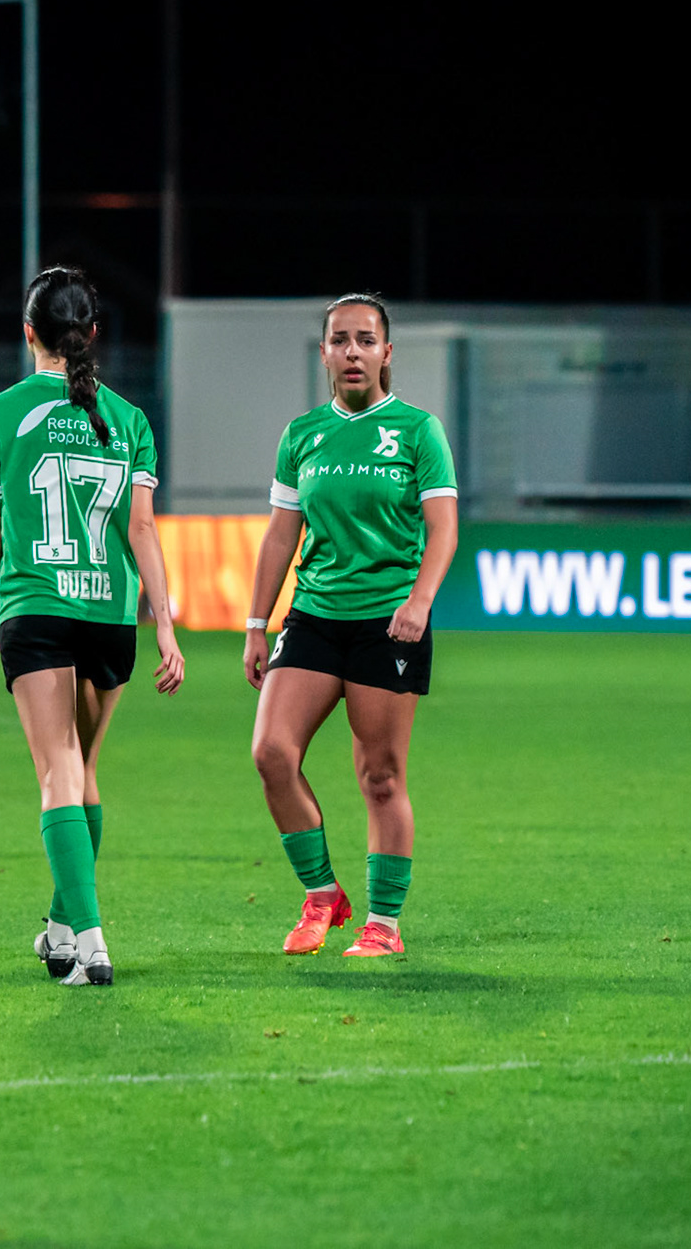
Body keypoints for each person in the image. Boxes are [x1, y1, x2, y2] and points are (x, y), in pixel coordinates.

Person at [0, 266, 185, 988]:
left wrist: (2, 606)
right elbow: (144, 529)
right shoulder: (128, 419)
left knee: (56, 770)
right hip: (111, 613)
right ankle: (61, 929)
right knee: (84, 771)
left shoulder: (4, 411)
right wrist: (166, 628)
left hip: (38, 606)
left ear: (28, 332)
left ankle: (90, 942)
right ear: (92, 334)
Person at [243, 293, 458, 960]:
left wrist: (420, 601)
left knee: (380, 775)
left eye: (366, 340)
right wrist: (257, 622)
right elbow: (282, 536)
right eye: (341, 340)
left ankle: (384, 926)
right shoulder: (302, 434)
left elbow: (444, 526)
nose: (353, 351)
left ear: (387, 353)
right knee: (272, 754)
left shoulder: (418, 431)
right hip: (312, 618)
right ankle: (321, 895)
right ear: (325, 353)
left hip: (387, 623)